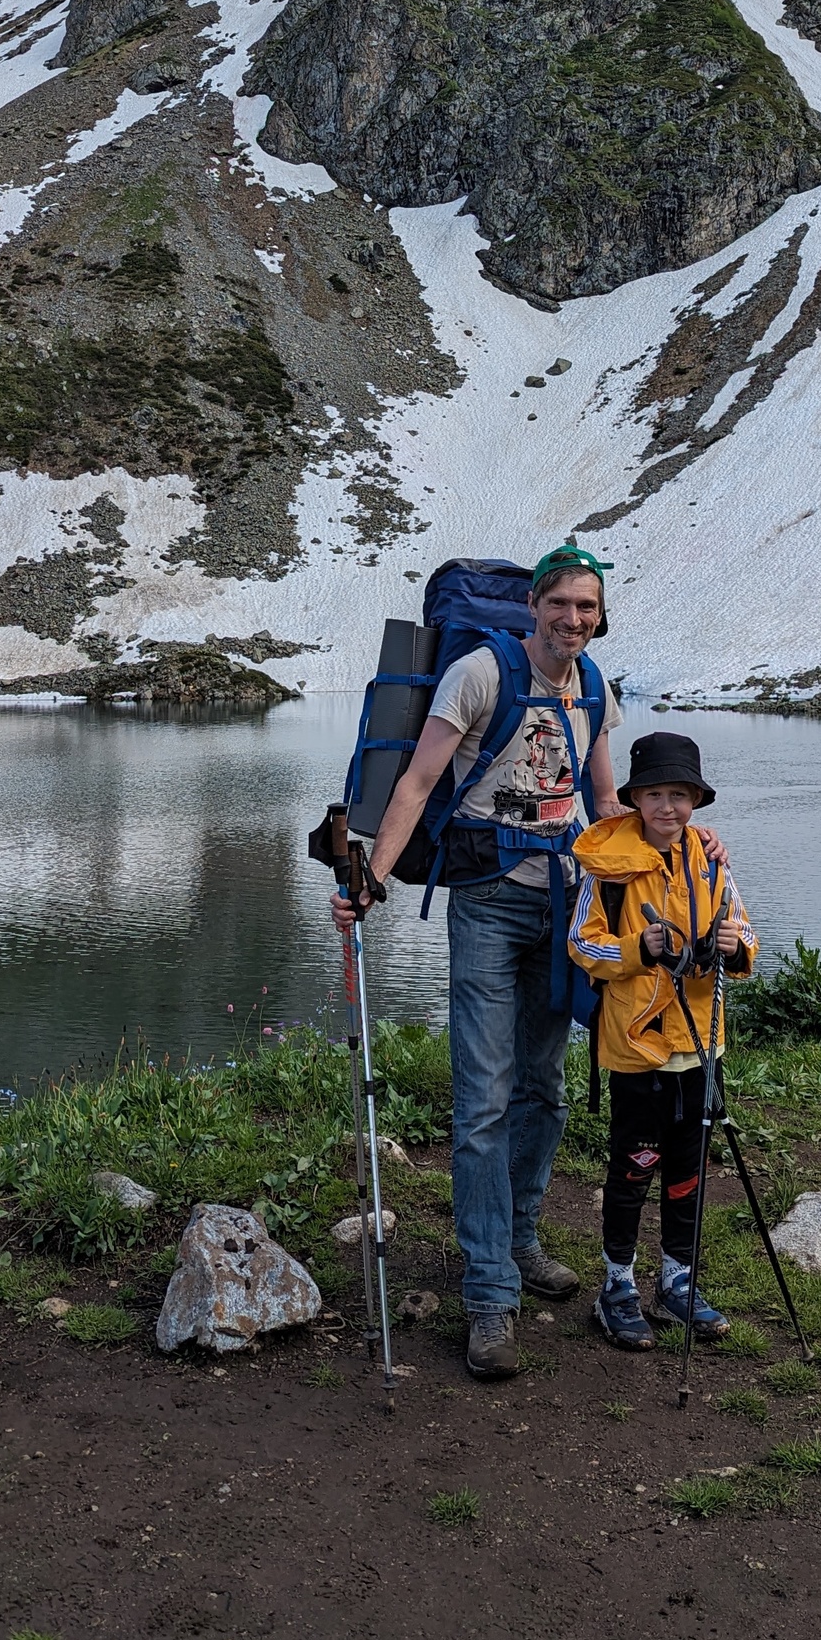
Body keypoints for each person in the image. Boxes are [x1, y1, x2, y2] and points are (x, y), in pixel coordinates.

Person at [330, 544, 624, 1381]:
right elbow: (418, 784)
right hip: (490, 902)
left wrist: (652, 883)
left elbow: (603, 805)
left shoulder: (597, 688)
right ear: (534, 606)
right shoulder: (480, 674)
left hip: (565, 901)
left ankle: (522, 1239)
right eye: (562, 604)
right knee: (484, 1099)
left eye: (588, 609)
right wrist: (371, 882)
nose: (574, 620)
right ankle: (490, 1292)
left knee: (547, 1089)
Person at [568, 732, 755, 1351]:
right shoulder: (608, 868)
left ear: (695, 800)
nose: (668, 807)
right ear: (634, 800)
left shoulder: (711, 861)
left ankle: (677, 1280)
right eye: (655, 794)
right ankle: (615, 1287)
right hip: (636, 1047)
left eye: (680, 794)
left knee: (688, 1168)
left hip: (702, 1044)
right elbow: (582, 944)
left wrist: (737, 946)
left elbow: (743, 925)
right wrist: (635, 949)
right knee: (633, 1167)